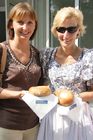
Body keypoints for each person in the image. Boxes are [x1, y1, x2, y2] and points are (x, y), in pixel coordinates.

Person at [37, 7, 93, 140]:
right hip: (52, 118)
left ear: (79, 30)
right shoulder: (46, 55)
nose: (66, 35)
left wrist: (72, 97)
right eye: (61, 29)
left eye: (71, 29)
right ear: (55, 31)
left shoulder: (88, 56)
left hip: (78, 118)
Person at [0, 2, 43, 140]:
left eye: (30, 22)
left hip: (33, 125)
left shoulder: (37, 54)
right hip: (7, 126)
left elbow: (41, 87)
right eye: (20, 22)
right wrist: (19, 94)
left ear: (35, 25)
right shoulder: (2, 50)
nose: (25, 27)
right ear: (11, 24)